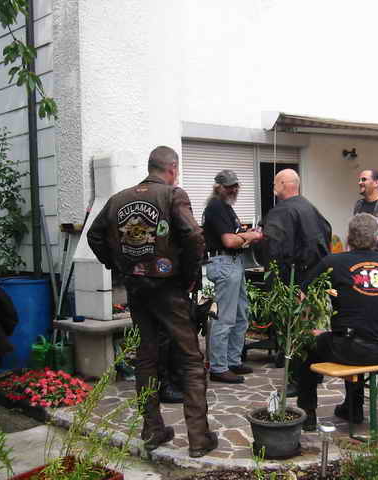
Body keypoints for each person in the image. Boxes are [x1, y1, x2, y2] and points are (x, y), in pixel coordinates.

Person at [87, 146, 217, 458]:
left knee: (146, 356)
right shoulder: (173, 195)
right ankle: (198, 438)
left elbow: (94, 236)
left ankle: (152, 429)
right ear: (172, 169)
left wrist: (119, 266)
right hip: (169, 288)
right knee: (190, 358)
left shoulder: (117, 199)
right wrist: (190, 275)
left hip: (137, 288)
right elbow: (194, 235)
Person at [296, 213, 378, 430]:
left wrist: (310, 323)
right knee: (354, 334)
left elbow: (301, 295)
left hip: (352, 349)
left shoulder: (333, 262)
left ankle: (308, 412)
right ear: (376, 237)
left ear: (349, 236)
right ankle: (353, 407)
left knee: (307, 343)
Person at [203, 169, 263, 384]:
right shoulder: (216, 206)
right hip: (224, 262)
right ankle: (219, 367)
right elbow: (229, 241)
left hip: (233, 262)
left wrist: (244, 236)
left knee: (240, 314)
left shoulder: (225, 207)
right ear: (218, 187)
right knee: (226, 318)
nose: (234, 189)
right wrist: (251, 236)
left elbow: (235, 237)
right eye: (229, 186)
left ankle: (232, 361)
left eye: (236, 185)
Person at [261, 169, 332, 286]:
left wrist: (273, 282)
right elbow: (326, 235)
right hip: (316, 280)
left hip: (292, 283)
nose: (273, 187)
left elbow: (273, 249)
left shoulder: (281, 212)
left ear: (282, 184)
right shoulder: (310, 208)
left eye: (274, 184)